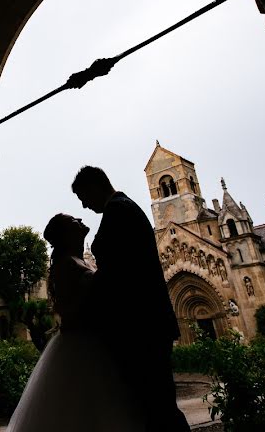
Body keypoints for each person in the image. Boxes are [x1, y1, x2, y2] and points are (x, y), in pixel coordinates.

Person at [72, 165, 189, 432]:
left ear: (94, 186)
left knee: (157, 407)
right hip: (146, 323)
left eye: (84, 198)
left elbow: (117, 273)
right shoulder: (124, 208)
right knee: (154, 405)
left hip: (141, 326)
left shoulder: (119, 211)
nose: (85, 206)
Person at [5, 213, 144, 432]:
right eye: (73, 221)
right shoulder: (65, 264)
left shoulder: (77, 260)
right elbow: (67, 309)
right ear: (65, 234)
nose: (79, 219)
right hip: (81, 345)